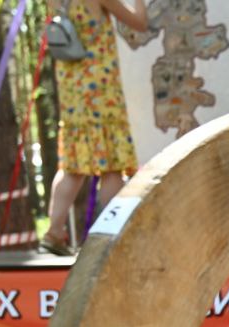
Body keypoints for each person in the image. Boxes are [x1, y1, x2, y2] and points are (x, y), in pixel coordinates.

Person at [39, 0, 149, 256]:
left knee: (72, 167)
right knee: (111, 165)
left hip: (72, 88)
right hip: (101, 88)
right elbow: (139, 23)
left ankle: (54, 232)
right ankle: (103, 238)